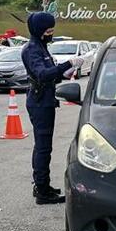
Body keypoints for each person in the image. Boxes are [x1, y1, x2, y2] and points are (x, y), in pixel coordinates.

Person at [22, 12, 83, 205]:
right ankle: (42, 191)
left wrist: (65, 73)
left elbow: (50, 74)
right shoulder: (32, 49)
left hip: (45, 100)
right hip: (39, 102)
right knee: (43, 148)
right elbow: (42, 74)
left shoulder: (41, 47)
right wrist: (68, 64)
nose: (51, 34)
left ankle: (43, 185)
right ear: (39, 31)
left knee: (44, 147)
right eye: (48, 31)